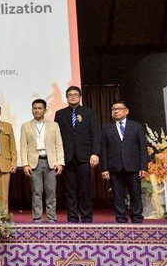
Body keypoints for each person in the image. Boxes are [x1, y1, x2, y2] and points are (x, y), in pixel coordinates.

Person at [55, 86, 100, 223]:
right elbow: (56, 137)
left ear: (80, 96)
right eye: (70, 95)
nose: (73, 96)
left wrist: (95, 153)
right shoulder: (60, 114)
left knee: (85, 189)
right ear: (66, 97)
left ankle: (86, 218)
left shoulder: (89, 112)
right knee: (69, 191)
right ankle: (72, 218)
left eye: (75, 94)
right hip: (67, 157)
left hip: (85, 157)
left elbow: (95, 134)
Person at [100, 100, 148, 223]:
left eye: (119, 109)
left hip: (133, 166)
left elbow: (143, 148)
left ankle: (137, 217)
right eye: (113, 109)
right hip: (114, 167)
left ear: (126, 111)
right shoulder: (106, 128)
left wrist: (143, 167)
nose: (116, 111)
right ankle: (120, 218)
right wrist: (104, 168)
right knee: (117, 195)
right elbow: (103, 149)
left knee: (135, 193)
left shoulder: (136, 126)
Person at [20, 99, 64, 223]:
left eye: (39, 108)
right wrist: (25, 164)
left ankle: (51, 218)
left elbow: (59, 144)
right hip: (35, 163)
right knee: (36, 192)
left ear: (45, 110)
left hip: (51, 162)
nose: (37, 110)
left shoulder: (54, 125)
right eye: (34, 108)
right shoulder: (26, 126)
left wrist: (60, 162)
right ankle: (37, 218)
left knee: (51, 192)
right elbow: (23, 146)